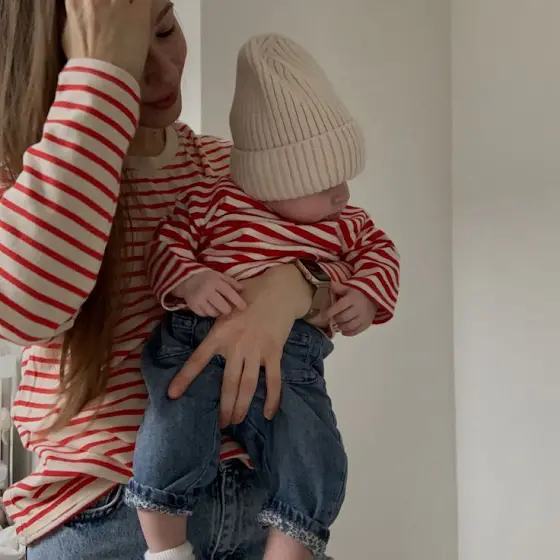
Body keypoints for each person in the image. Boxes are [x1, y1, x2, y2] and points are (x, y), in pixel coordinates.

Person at [0, 1, 375, 558]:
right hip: (108, 513)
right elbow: (27, 309)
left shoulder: (229, 170)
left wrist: (293, 287)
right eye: (127, 50)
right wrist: (103, 77)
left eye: (165, 28)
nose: (159, 70)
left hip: (264, 506)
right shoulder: (23, 179)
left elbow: (347, 259)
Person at [125, 33, 400, 560]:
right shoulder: (212, 200)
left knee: (315, 457)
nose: (343, 194)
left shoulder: (344, 222)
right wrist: (191, 280)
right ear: (273, 181)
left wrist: (365, 295)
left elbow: (380, 253)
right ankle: (164, 548)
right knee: (170, 433)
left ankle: (289, 548)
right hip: (194, 343)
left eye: (345, 179)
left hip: (292, 366)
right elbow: (168, 245)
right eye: (325, 183)